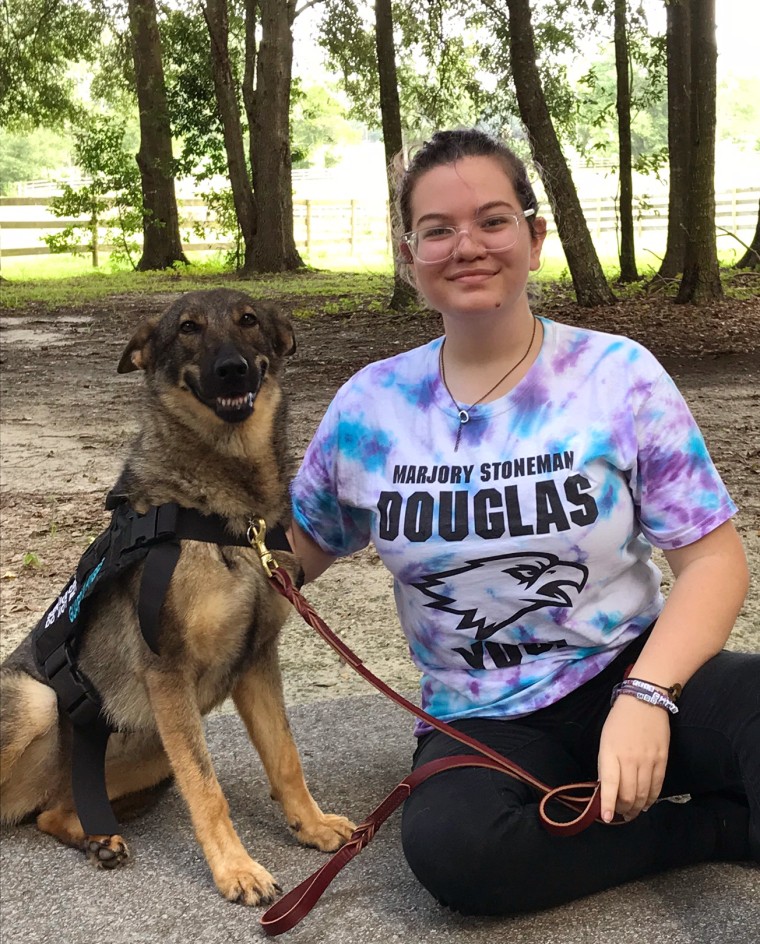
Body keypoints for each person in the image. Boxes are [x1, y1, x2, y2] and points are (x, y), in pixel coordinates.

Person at [287, 128, 758, 915]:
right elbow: (290, 554)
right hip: (484, 718)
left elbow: (714, 562)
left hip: (636, 672)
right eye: (438, 229)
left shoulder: (619, 376)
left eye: (494, 220)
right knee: (457, 855)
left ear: (535, 239)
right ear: (411, 257)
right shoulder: (370, 408)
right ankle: (716, 833)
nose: (467, 245)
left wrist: (646, 697)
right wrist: (181, 543)